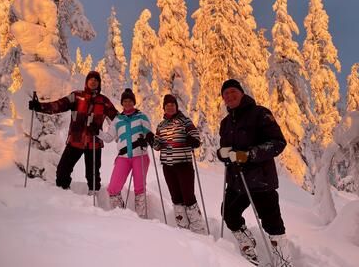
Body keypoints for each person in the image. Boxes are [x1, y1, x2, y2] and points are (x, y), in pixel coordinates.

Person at [217, 79, 293, 266]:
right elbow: (226, 149)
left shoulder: (260, 113)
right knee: (228, 213)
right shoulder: (226, 122)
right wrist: (222, 154)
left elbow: (277, 143)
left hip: (260, 180)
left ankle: (283, 262)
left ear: (242, 93)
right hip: (236, 181)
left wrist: (248, 155)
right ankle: (247, 246)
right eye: (225, 94)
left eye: (233, 91)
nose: (229, 96)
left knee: (272, 224)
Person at [28, 71, 118, 195]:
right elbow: (58, 105)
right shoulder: (76, 96)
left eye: (96, 80)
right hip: (76, 141)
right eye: (91, 79)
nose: (93, 81)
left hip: (94, 143)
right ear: (87, 82)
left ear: (99, 83)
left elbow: (118, 119)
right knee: (62, 171)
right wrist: (39, 107)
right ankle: (64, 194)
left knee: (93, 175)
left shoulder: (104, 101)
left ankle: (94, 197)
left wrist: (133, 119)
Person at [152, 94, 206, 235]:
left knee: (188, 197)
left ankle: (198, 230)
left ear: (176, 106)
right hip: (167, 167)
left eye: (172, 104)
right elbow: (157, 146)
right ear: (164, 108)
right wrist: (150, 139)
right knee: (176, 197)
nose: (170, 107)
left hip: (183, 164)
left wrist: (192, 141)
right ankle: (183, 230)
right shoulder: (161, 125)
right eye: (167, 105)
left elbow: (196, 138)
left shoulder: (184, 121)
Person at [98, 88, 153, 218]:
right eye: (125, 101)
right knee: (113, 188)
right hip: (123, 158)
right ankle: (120, 217)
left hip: (140, 156)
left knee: (140, 188)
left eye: (130, 101)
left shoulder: (142, 117)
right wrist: (97, 132)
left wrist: (147, 139)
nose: (127, 103)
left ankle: (141, 218)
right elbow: (109, 138)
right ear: (122, 103)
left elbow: (149, 134)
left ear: (133, 102)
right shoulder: (117, 120)